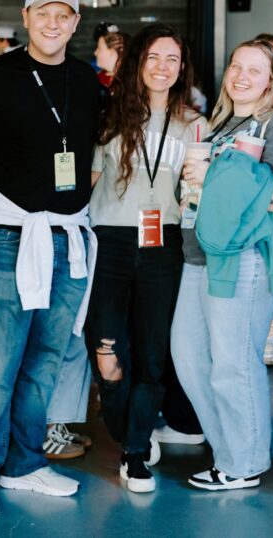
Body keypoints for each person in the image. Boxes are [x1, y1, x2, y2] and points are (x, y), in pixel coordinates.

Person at [0, 0, 99, 521]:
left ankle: (24, 463)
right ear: (27, 15)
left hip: (68, 237)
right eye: (43, 13)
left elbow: (93, 157)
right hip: (7, 234)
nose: (53, 23)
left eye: (64, 14)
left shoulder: (88, 82)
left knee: (45, 361)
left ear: (76, 22)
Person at [171, 39, 273, 491]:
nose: (242, 75)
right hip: (199, 254)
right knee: (187, 355)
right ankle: (226, 445)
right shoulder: (221, 123)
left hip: (244, 258)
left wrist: (218, 176)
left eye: (255, 69)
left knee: (234, 360)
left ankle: (243, 462)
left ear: (272, 80)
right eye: (235, 66)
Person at [86, 24, 206, 493]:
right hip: (110, 239)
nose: (162, 67)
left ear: (182, 67)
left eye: (172, 59)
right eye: (154, 57)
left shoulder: (195, 123)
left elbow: (196, 192)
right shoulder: (109, 116)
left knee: (153, 354)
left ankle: (134, 452)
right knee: (109, 354)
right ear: (138, 62)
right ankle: (126, 428)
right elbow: (90, 180)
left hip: (164, 243)